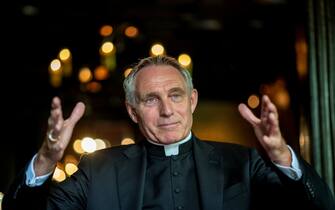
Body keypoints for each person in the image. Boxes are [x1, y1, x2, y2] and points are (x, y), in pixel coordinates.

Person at [2, 55, 335, 210]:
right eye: (151, 99)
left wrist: (280, 156)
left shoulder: (244, 164)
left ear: (192, 101)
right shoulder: (95, 170)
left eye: (175, 95)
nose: (166, 110)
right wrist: (46, 159)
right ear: (133, 111)